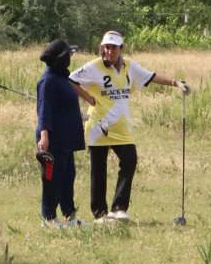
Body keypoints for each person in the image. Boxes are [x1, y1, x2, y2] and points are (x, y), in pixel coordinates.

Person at [69, 30, 190, 221]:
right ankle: (100, 214)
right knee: (98, 170)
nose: (108, 52)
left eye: (113, 48)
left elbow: (151, 77)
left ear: (120, 48)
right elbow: (71, 80)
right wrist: (87, 97)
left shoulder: (129, 67)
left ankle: (118, 208)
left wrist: (176, 83)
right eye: (106, 47)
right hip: (99, 126)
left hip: (122, 127)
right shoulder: (94, 66)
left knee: (129, 160)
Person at [36, 39, 87, 228]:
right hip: (53, 139)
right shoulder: (47, 81)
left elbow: (64, 104)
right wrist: (44, 136)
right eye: (69, 55)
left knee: (67, 177)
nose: (71, 58)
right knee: (52, 179)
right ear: (61, 58)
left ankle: (69, 216)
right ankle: (48, 218)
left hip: (66, 139)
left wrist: (77, 115)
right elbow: (44, 110)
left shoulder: (61, 78)